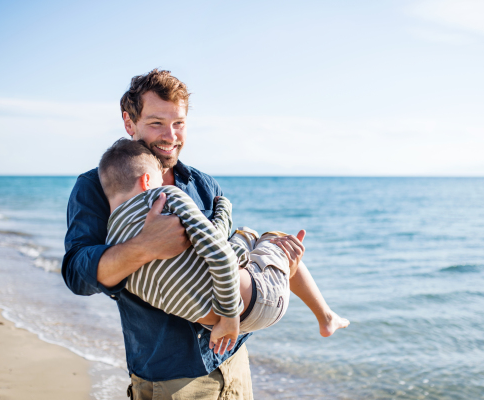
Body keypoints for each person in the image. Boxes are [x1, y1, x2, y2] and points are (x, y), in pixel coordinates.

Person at [63, 69, 256, 400]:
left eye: (178, 123)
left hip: (232, 357)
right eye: (156, 123)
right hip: (169, 375)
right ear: (129, 122)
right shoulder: (96, 187)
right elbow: (77, 275)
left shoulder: (203, 184)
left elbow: (221, 255)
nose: (170, 136)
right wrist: (144, 247)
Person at [98, 138, 349, 354]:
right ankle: (325, 317)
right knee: (265, 237)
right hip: (252, 306)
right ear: (146, 181)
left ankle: (322, 314)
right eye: (158, 178)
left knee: (242, 246)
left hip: (213, 328)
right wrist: (224, 211)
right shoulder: (163, 197)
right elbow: (218, 248)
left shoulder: (110, 243)